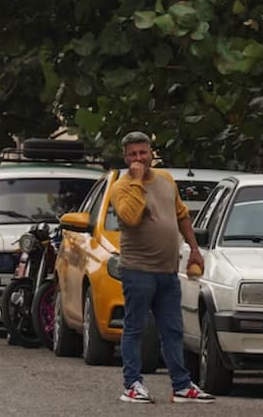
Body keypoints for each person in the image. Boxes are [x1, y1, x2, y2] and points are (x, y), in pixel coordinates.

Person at [110, 131, 214, 404]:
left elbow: (181, 215)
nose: (139, 159)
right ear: (125, 157)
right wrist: (135, 181)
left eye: (143, 153)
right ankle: (132, 385)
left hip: (168, 270)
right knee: (135, 327)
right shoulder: (121, 187)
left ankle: (181, 385)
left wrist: (194, 249)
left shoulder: (166, 180)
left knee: (173, 329)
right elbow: (131, 217)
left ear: (151, 153)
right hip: (137, 270)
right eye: (133, 154)